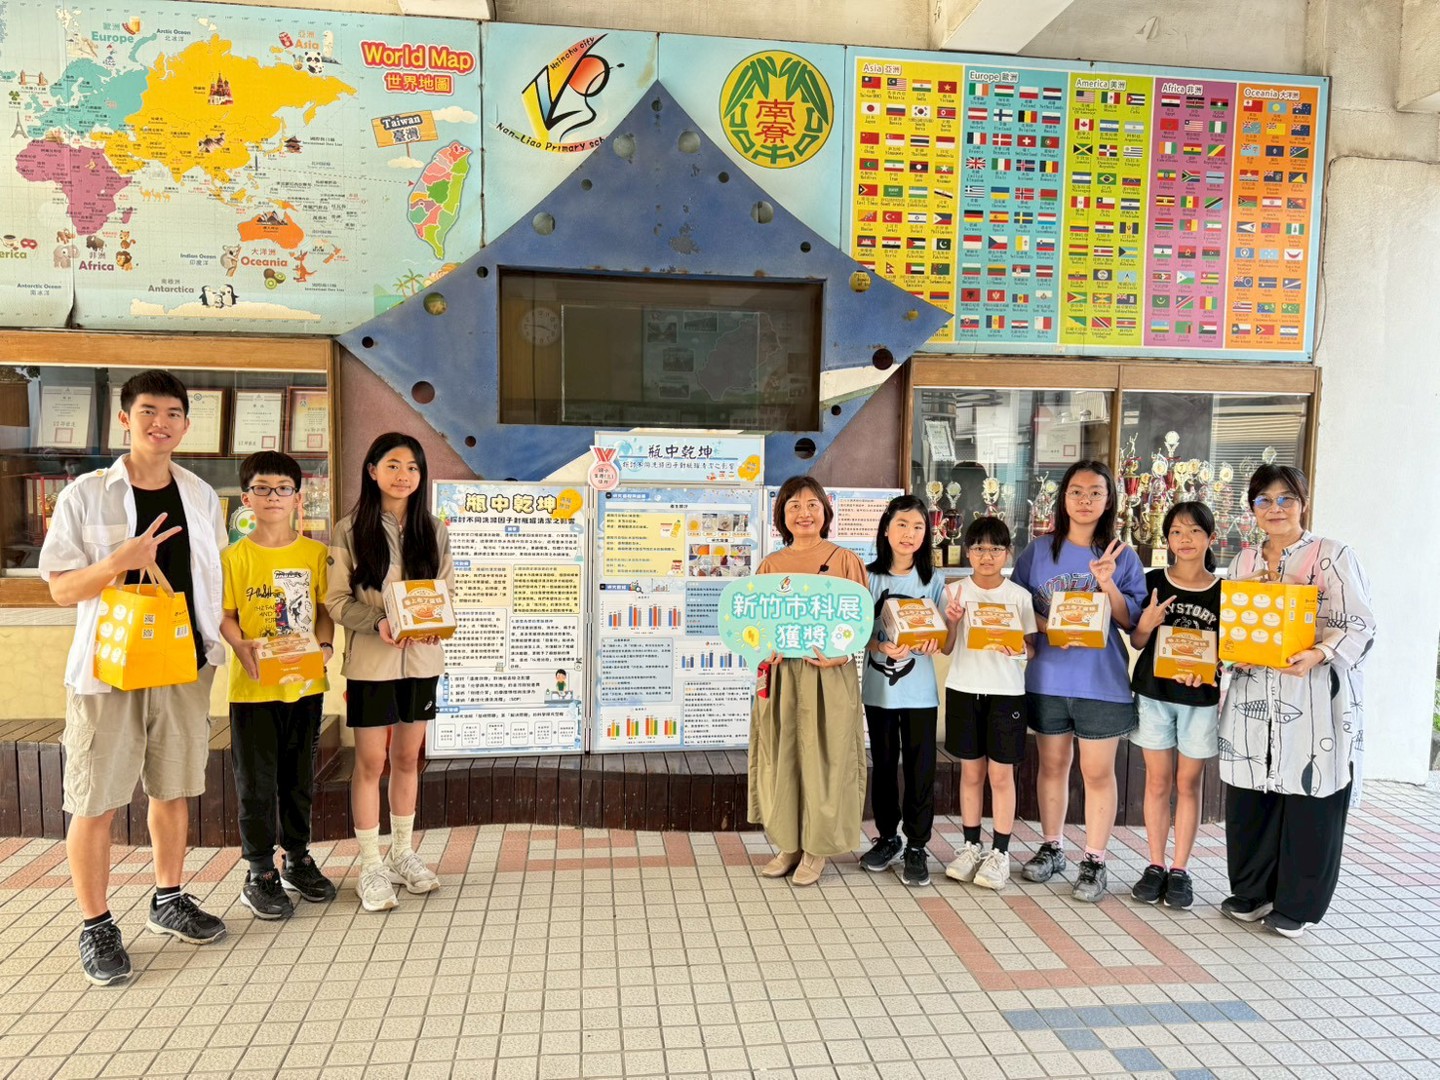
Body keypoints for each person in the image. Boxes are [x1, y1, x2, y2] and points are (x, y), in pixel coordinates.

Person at [39, 370, 228, 986]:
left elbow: (212, 583)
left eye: (173, 414)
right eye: (148, 411)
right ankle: (95, 924)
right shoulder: (87, 494)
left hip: (184, 665)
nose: (160, 423)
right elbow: (60, 589)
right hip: (108, 670)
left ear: (186, 425)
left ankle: (168, 898)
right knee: (94, 799)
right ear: (125, 419)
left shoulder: (200, 495)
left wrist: (232, 639)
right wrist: (118, 562)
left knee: (172, 790)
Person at [1218, 464, 1375, 938]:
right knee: (1251, 792)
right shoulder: (1244, 560)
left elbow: (1361, 624)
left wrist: (1319, 653)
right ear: (1252, 508)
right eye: (1264, 500)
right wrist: (1234, 652)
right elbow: (1233, 625)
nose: (1275, 508)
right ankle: (1252, 891)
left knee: (1311, 793)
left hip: (1312, 694)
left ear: (1303, 503)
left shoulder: (1333, 554)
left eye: (1286, 498)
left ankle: (1297, 904)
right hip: (1252, 693)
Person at [325, 433, 452, 913]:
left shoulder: (433, 530)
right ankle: (371, 864)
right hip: (371, 665)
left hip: (421, 662)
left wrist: (435, 625)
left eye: (413, 467)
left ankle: (402, 853)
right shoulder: (349, 530)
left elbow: (445, 592)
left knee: (407, 758)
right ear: (372, 470)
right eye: (394, 465)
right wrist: (377, 621)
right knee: (370, 762)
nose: (404, 475)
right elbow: (336, 601)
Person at [1012, 459, 1146, 902]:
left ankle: (1095, 860)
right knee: (1052, 766)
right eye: (1076, 491)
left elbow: (1130, 622)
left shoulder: (1122, 555)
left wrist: (1108, 584)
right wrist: (1050, 628)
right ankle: (1052, 847)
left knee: (1097, 772)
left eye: (1095, 493)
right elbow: (1017, 607)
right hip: (1047, 679)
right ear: (1063, 498)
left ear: (1109, 501)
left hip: (1101, 683)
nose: (1085, 500)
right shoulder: (1037, 552)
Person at [220, 451, 337, 920]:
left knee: (298, 778)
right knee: (256, 782)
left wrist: (325, 647)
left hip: (305, 686)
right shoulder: (233, 557)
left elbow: (325, 611)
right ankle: (259, 871)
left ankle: (298, 858)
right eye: (262, 489)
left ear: (297, 497)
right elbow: (226, 616)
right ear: (246, 498)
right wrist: (239, 645)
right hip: (253, 690)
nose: (273, 496)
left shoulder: (315, 554)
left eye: (283, 488)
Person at [747, 476, 867, 887]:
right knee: (783, 757)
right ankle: (789, 844)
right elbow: (754, 626)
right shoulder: (770, 566)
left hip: (828, 675)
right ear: (781, 515)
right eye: (793, 505)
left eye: (812, 504)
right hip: (782, 676)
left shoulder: (845, 560)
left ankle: (817, 848)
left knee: (827, 759)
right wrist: (763, 650)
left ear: (825, 511)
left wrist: (841, 655)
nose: (804, 513)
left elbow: (861, 625)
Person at [1127, 502, 1221, 911]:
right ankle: (1155, 864)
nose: (1185, 539)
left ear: (1211, 538)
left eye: (1195, 531)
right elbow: (1137, 641)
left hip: (1200, 701)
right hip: (1154, 696)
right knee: (1156, 781)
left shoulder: (1225, 592)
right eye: (1177, 532)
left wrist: (1211, 668)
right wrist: (1147, 623)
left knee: (1188, 783)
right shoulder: (1152, 582)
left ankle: (1180, 869)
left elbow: (1228, 654)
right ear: (1166, 539)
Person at [859, 495, 952, 887]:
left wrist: (933, 641)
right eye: (902, 524)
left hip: (920, 694)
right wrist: (880, 646)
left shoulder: (933, 580)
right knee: (883, 767)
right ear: (886, 529)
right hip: (878, 691)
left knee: (920, 770)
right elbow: (855, 634)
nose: (909, 534)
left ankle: (917, 844)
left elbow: (945, 642)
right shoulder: (867, 577)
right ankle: (887, 838)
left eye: (918, 527)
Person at [941, 516, 1036, 892]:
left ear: (1008, 553)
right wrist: (952, 622)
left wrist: (1019, 649)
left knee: (1000, 776)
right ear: (967, 552)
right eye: (979, 548)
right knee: (970, 773)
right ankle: (970, 847)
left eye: (995, 548)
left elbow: (1032, 649)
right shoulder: (954, 592)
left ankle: (1000, 853)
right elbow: (946, 648)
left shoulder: (1019, 596)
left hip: (1006, 693)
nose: (986, 555)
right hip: (964, 688)